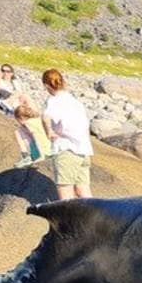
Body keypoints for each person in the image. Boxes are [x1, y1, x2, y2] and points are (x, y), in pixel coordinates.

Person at [41, 69, 94, 200]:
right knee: (83, 189)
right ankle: (93, 217)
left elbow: (45, 117)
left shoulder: (54, 100)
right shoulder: (75, 101)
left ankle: (67, 219)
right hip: (83, 150)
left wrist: (49, 132)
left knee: (65, 188)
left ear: (46, 85)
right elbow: (85, 124)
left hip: (66, 149)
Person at [13, 104, 51, 169]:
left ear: (20, 118)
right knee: (20, 130)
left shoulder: (28, 123)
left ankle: (26, 157)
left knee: (18, 132)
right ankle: (27, 157)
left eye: (17, 120)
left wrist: (41, 155)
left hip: (43, 150)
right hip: (49, 146)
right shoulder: (37, 119)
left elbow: (37, 138)